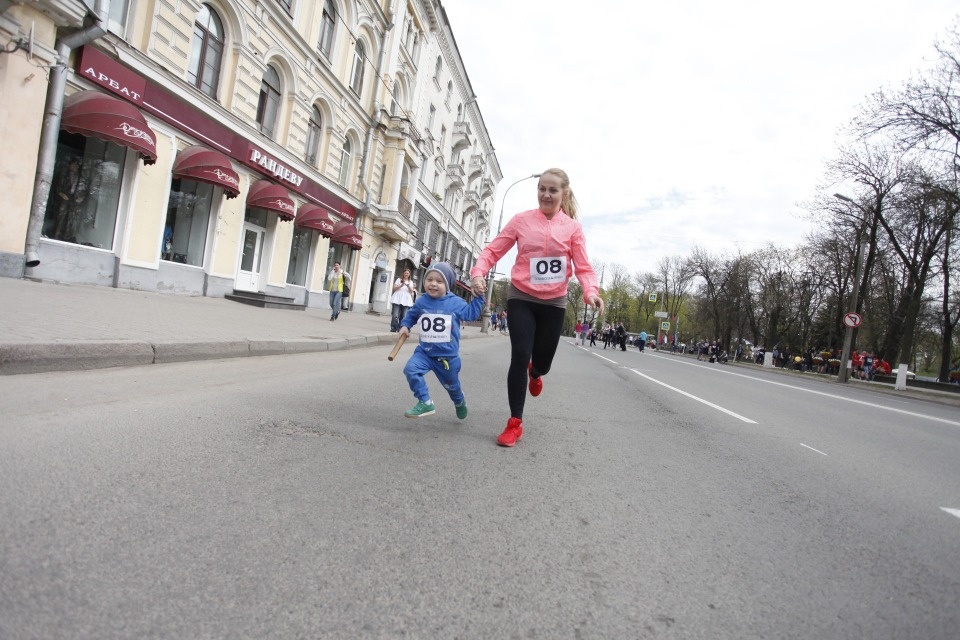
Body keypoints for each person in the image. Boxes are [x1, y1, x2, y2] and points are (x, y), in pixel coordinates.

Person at [469, 168, 604, 447]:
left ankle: (536, 372)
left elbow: (583, 266)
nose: (546, 194)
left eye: (552, 190)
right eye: (542, 188)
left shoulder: (573, 229)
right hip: (522, 296)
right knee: (519, 354)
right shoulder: (521, 221)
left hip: (554, 302)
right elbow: (493, 250)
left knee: (542, 362)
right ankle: (514, 423)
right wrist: (478, 272)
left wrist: (591, 292)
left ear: (563, 193)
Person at [398, 262, 485, 419]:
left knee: (452, 387)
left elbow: (471, 314)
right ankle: (425, 402)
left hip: (447, 358)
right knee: (410, 369)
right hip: (424, 352)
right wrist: (405, 326)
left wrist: (479, 297)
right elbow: (412, 315)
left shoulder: (456, 303)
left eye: (439, 281)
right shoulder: (421, 301)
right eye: (429, 279)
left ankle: (459, 401)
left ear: (448, 285)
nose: (433, 284)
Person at [389, 268, 416, 332]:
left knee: (403, 316)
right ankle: (394, 327)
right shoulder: (399, 280)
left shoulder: (411, 282)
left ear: (409, 274)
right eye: (405, 273)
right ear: (403, 274)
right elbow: (394, 288)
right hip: (397, 298)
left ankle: (400, 328)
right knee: (395, 315)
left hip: (406, 300)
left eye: (407, 273)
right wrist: (401, 285)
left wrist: (408, 286)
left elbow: (411, 291)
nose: (406, 274)